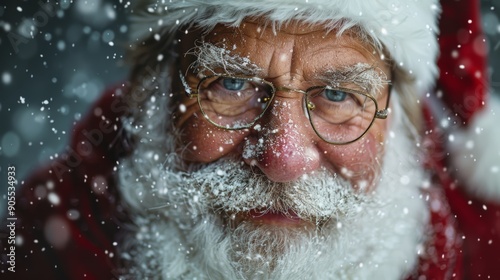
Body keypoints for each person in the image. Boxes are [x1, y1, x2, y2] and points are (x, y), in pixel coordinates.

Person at [2, 0, 500, 279]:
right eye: (230, 85)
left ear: (399, 119)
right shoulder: (38, 243)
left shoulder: (486, 253)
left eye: (336, 94)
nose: (283, 159)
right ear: (154, 97)